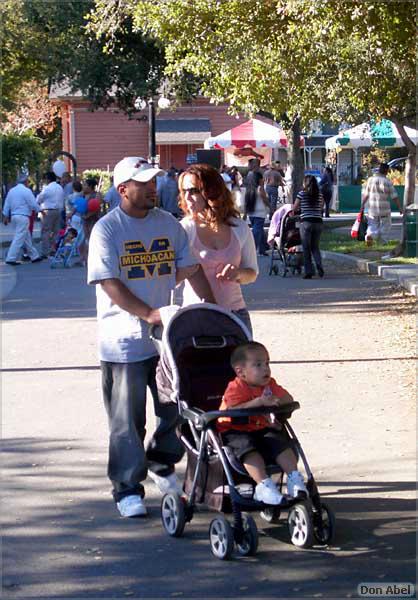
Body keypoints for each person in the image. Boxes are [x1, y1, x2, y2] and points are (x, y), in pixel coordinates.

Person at [87, 156, 215, 518]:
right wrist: (147, 313)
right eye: (143, 183)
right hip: (122, 342)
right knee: (127, 423)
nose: (152, 188)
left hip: (166, 339)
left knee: (176, 409)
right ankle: (127, 488)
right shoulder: (108, 229)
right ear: (123, 189)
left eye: (154, 181)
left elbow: (190, 269)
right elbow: (109, 282)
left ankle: (161, 461)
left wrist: (211, 308)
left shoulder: (168, 224)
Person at [218, 341, 307, 505]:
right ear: (241, 372)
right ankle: (263, 485)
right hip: (235, 429)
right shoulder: (235, 387)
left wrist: (279, 400)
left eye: (267, 363)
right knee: (248, 449)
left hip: (261, 427)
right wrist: (259, 402)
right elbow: (234, 409)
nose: (265, 368)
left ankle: (294, 478)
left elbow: (288, 399)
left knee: (281, 443)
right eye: (258, 365)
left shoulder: (269, 384)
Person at [178, 163, 258, 335]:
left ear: (211, 191)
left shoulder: (239, 227)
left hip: (235, 314)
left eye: (193, 191)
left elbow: (252, 273)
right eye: (184, 191)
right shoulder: (184, 229)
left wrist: (238, 274)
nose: (187, 197)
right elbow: (171, 278)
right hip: (195, 315)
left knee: (242, 363)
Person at [2, 173, 42, 265]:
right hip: (23, 216)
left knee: (26, 236)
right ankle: (10, 258)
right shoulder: (26, 191)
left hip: (14, 216)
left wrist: (5, 215)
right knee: (19, 237)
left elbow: (7, 204)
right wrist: (39, 210)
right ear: (26, 182)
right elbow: (32, 203)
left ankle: (34, 256)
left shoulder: (11, 191)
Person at [360, 162, 402, 245]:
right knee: (385, 226)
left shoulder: (370, 180)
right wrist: (399, 207)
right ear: (386, 171)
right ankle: (383, 242)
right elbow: (394, 196)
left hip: (372, 208)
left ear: (379, 170)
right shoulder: (387, 182)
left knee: (372, 225)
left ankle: (370, 235)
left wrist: (362, 205)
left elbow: (366, 194)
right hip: (384, 209)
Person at [293, 175, 324, 279]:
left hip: (306, 222)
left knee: (306, 247)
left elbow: (294, 207)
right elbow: (321, 206)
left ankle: (308, 271)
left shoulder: (301, 194)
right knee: (315, 246)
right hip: (318, 222)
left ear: (305, 183)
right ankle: (319, 264)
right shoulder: (319, 195)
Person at [37, 171, 65, 258]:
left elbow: (39, 199)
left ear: (47, 179)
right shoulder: (59, 187)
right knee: (56, 231)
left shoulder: (47, 188)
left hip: (47, 211)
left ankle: (45, 252)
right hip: (58, 211)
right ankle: (54, 249)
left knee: (46, 231)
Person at [244, 170, 270, 257]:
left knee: (260, 231)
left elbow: (246, 202)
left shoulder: (249, 189)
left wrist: (245, 213)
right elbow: (264, 199)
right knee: (257, 231)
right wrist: (270, 207)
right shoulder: (260, 188)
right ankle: (253, 249)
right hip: (260, 213)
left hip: (251, 213)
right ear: (259, 179)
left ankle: (263, 248)